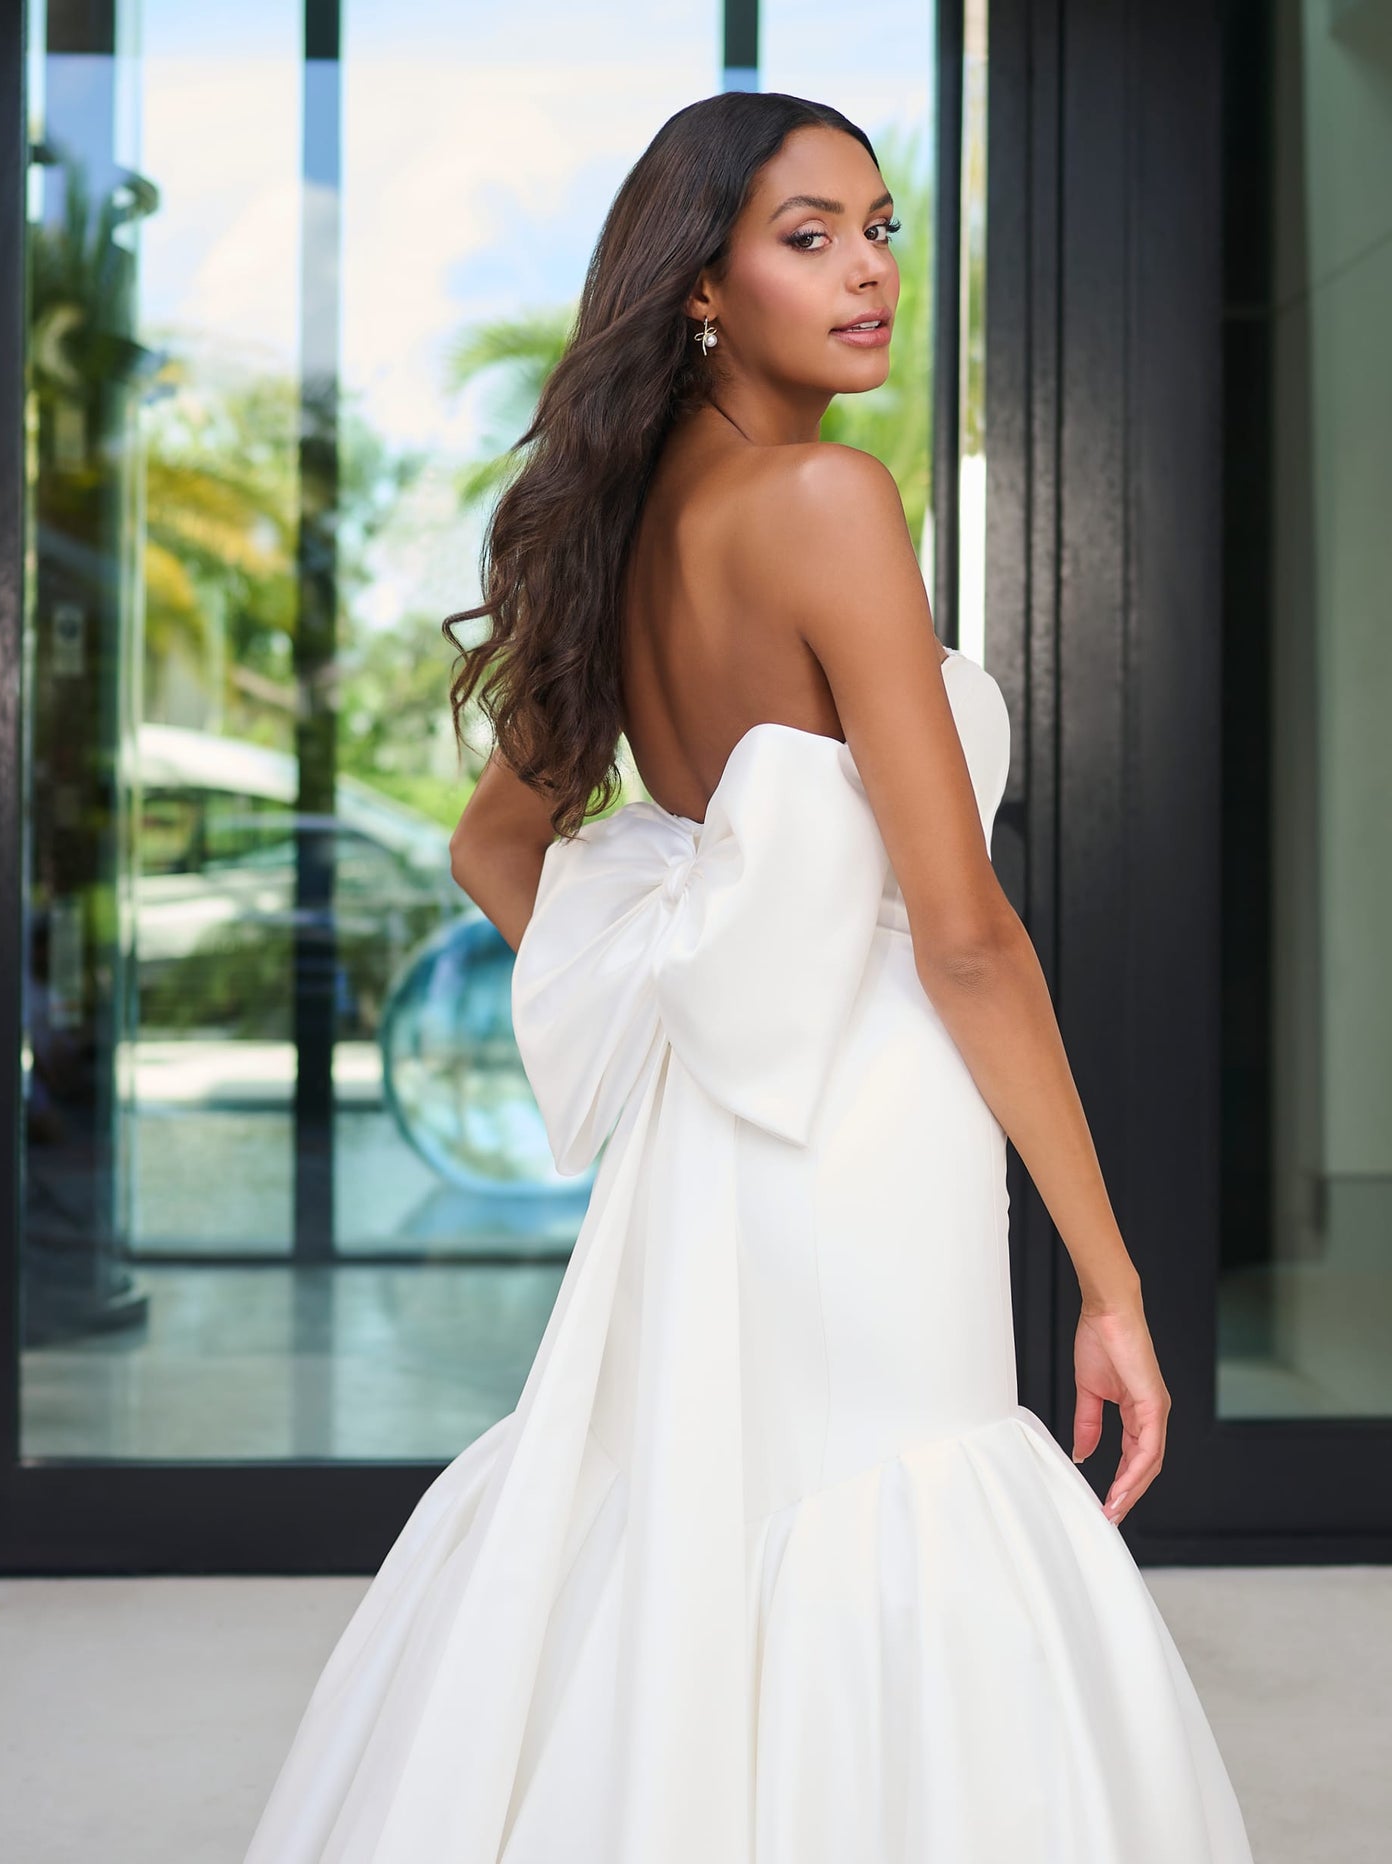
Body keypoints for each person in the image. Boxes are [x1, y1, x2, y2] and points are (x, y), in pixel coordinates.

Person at [243, 92, 1255, 1863]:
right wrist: (1112, 1281)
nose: (868, 271)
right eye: (811, 238)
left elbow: (502, 848)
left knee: (700, 1541)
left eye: (878, 227)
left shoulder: (623, 529)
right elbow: (964, 934)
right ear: (702, 285)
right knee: (899, 1519)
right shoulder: (828, 502)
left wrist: (680, 991)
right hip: (863, 1127)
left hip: (717, 1137)